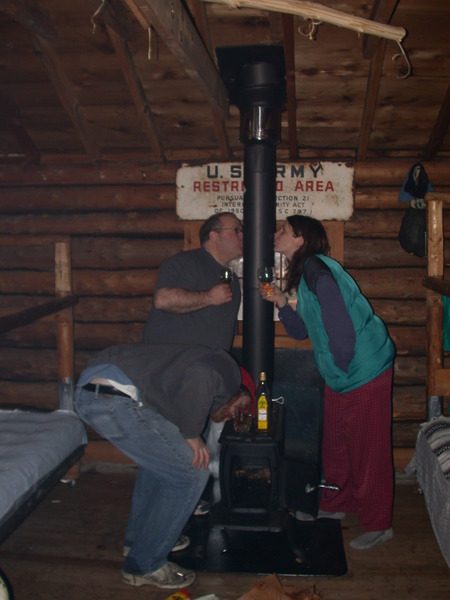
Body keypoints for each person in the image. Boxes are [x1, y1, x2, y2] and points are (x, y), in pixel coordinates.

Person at [259, 215, 396, 550]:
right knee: (335, 441)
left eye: (284, 231)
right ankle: (335, 504)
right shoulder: (305, 275)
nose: (277, 234)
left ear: (300, 238)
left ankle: (379, 524)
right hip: (339, 374)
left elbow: (339, 322)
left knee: (368, 448)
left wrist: (345, 363)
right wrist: (280, 302)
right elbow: (300, 330)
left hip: (363, 370)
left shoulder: (317, 268)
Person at [74, 343, 251, 589]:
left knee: (163, 464)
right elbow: (202, 373)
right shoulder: (229, 375)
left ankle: (138, 541)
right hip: (115, 395)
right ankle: (143, 565)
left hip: (96, 390)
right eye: (240, 407)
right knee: (193, 473)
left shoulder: (189, 391)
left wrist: (188, 431)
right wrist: (190, 434)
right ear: (239, 391)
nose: (235, 415)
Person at [143, 211, 243, 350]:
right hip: (169, 365)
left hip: (207, 366)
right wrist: (209, 297)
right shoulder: (186, 262)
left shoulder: (231, 279)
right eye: (236, 230)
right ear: (213, 235)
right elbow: (163, 300)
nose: (242, 235)